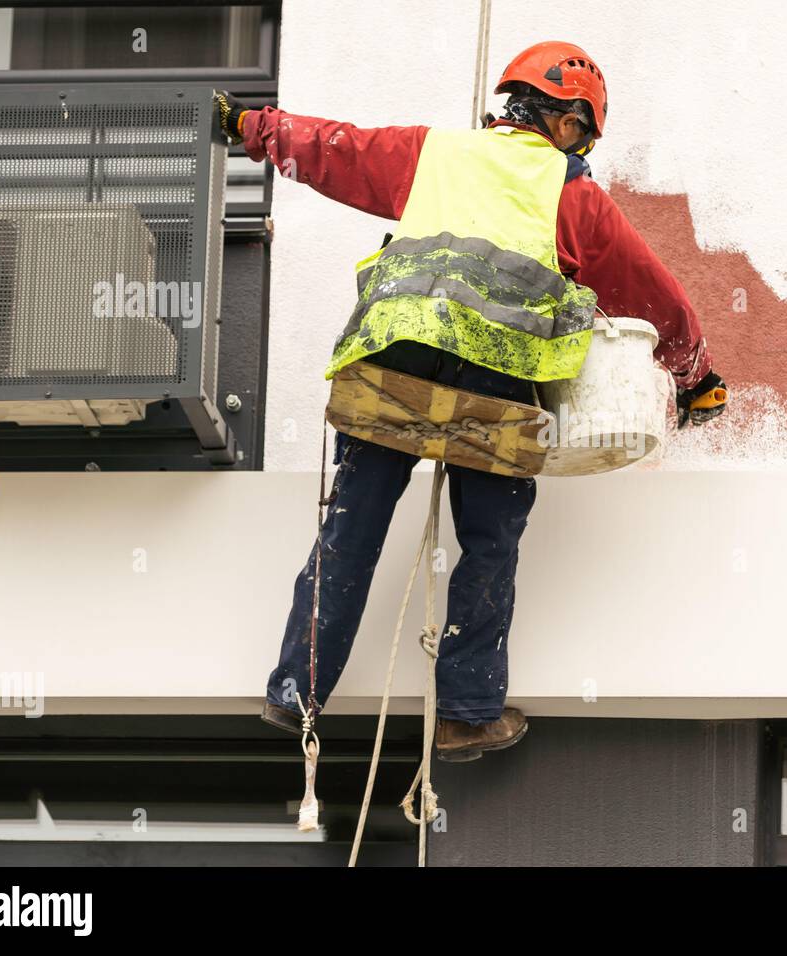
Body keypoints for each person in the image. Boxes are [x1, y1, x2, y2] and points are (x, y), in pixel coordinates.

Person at [215, 40, 726, 762]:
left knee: (351, 530)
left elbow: (333, 149)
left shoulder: (434, 153)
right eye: (581, 134)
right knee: (488, 543)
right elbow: (652, 295)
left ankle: (295, 692)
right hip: (496, 380)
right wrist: (695, 377)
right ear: (571, 124)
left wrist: (249, 127)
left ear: (509, 103)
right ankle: (465, 713)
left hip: (394, 359)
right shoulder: (573, 196)